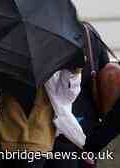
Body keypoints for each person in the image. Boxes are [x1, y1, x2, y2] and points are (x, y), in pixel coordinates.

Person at [44, 22, 110, 168]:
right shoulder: (87, 32)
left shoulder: (39, 35)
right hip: (86, 128)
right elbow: (105, 73)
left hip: (52, 127)